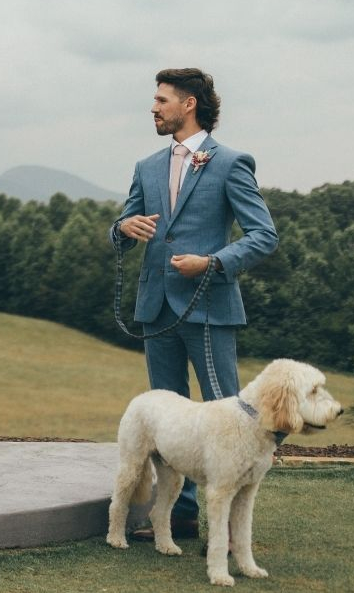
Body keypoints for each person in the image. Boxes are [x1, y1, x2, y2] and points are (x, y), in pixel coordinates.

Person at [112, 68, 278, 542]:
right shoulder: (146, 166)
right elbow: (123, 228)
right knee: (168, 423)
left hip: (208, 306)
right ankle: (178, 517)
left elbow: (264, 236)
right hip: (155, 309)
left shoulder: (230, 162)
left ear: (189, 104)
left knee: (229, 418)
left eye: (162, 100)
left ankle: (227, 526)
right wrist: (124, 230)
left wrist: (212, 262)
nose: (154, 108)